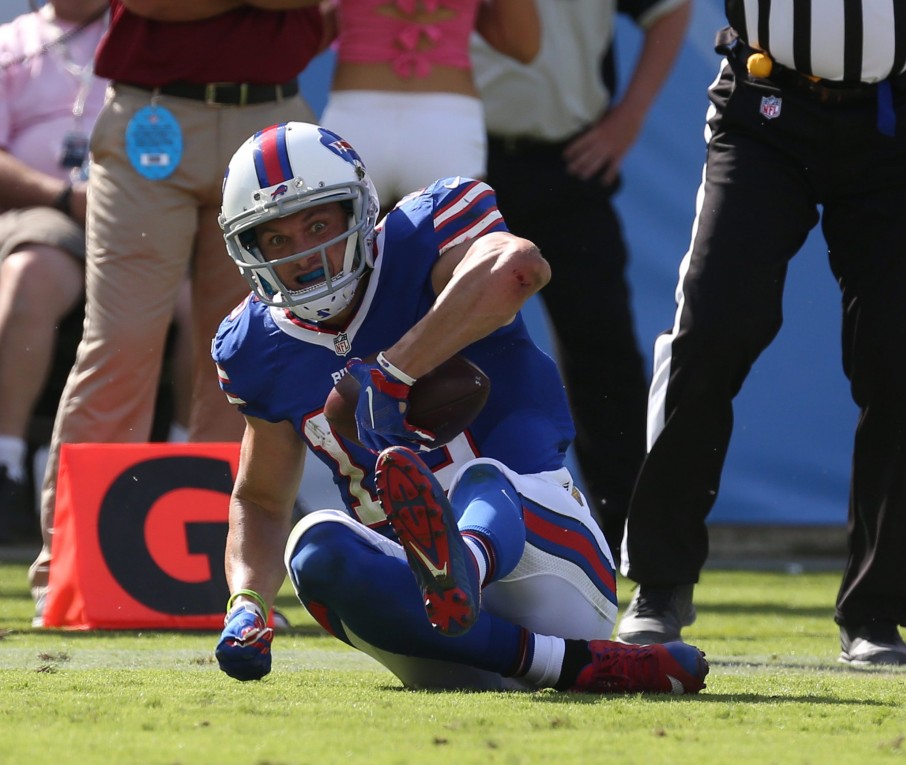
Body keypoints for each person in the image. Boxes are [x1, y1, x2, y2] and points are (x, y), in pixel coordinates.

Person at [210, 121, 709, 693]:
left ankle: (462, 568)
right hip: (424, 620)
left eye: (318, 223)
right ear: (248, 251)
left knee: (479, 476)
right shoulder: (253, 345)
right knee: (315, 543)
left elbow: (519, 267)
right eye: (276, 240)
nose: (305, 254)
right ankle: (571, 664)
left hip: (546, 563)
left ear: (359, 212)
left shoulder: (427, 231)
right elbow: (262, 499)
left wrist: (393, 372)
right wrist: (246, 600)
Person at [616, 1, 906, 668]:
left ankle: (876, 611)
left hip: (897, 117)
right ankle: (659, 584)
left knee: (898, 362)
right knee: (709, 331)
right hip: (766, 108)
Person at [27, 0, 327, 622]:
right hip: (151, 113)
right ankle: (67, 568)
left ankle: (231, 584)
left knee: (250, 354)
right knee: (122, 342)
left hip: (270, 125)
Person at [470, 0, 692, 557]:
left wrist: (630, 116)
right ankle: (426, 532)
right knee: (432, 354)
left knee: (603, 354)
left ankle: (637, 545)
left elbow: (670, 9)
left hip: (567, 163)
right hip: (459, 165)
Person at [0, 0, 109, 543]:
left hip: (141, 214)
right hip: (42, 213)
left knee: (200, 296)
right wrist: (66, 198)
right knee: (31, 274)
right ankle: (7, 466)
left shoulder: (144, 36)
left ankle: (188, 461)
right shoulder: (11, 43)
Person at [320, 0, 539, 212]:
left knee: (340, 246)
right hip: (447, 125)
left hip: (355, 118)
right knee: (456, 247)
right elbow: (523, 45)